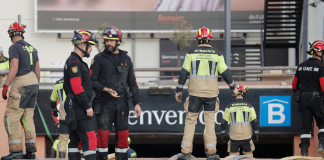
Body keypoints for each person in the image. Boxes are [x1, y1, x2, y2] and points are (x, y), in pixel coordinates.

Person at [175, 26, 237, 160]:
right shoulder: (217, 54)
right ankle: (211, 153)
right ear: (210, 40)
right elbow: (226, 73)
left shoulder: (191, 53)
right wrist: (234, 88)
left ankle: (186, 153)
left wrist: (178, 90)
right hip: (211, 94)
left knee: (190, 122)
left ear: (198, 39)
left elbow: (183, 73)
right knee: (209, 123)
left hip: (195, 94)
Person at [90, 26, 141, 160]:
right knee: (102, 138)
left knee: (123, 138)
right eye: (106, 40)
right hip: (104, 104)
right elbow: (91, 81)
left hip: (122, 104)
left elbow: (133, 83)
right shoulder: (98, 58)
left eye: (112, 41)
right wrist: (105, 89)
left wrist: (137, 103)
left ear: (119, 41)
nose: (108, 43)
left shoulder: (127, 59)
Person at [1, 22, 40, 160]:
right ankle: (31, 152)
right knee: (28, 118)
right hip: (34, 83)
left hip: (21, 84)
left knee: (10, 118)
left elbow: (14, 67)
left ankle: (16, 152)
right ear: (22, 33)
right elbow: (37, 70)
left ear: (10, 34)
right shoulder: (33, 48)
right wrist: (35, 86)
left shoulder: (14, 47)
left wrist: (6, 85)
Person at [63, 30, 98, 160]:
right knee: (90, 140)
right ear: (83, 46)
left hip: (74, 106)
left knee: (74, 141)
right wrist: (87, 106)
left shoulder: (74, 61)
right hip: (79, 108)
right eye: (90, 46)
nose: (92, 49)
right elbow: (76, 86)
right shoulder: (74, 63)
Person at [292, 40, 324, 157]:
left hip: (303, 99)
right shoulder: (321, 66)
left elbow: (294, 84)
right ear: (319, 52)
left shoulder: (301, 65)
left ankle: (304, 152)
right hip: (317, 98)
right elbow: (323, 84)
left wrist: (296, 93)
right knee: (322, 123)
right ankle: (322, 145)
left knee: (306, 126)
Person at [220, 85, 259, 157]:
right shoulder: (249, 106)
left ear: (234, 94)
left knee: (232, 157)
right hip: (246, 137)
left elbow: (223, 122)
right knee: (248, 156)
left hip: (234, 137)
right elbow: (255, 122)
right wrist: (256, 134)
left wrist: (223, 135)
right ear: (244, 94)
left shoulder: (229, 107)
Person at [49, 78, 69, 158]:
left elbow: (52, 101)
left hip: (63, 111)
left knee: (63, 139)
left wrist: (54, 111)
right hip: (76, 110)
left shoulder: (58, 83)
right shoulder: (77, 79)